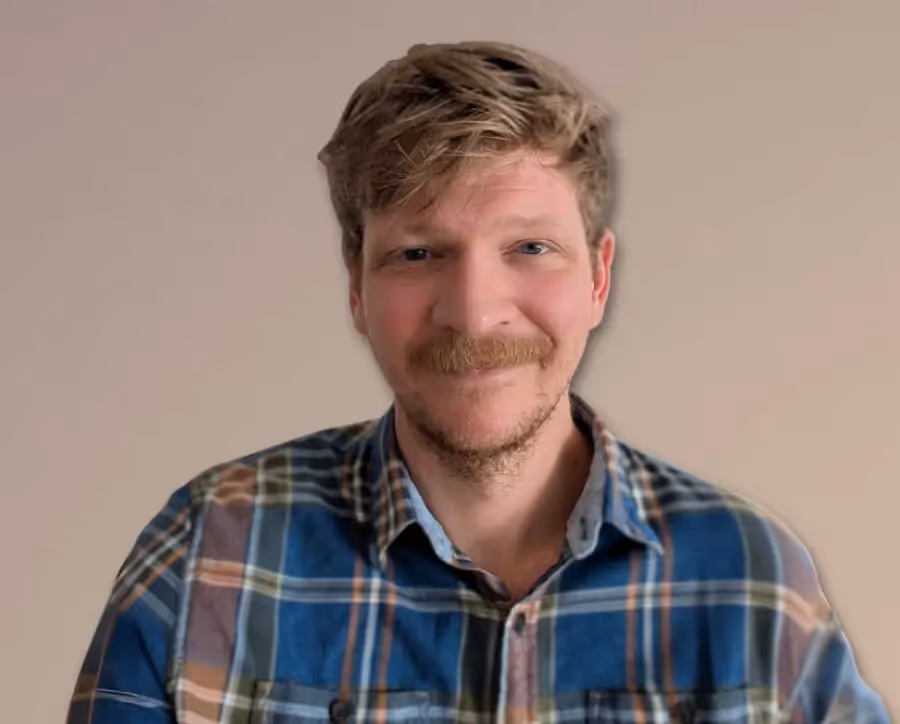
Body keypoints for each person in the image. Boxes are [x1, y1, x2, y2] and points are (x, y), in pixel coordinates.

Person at [67, 41, 889, 724]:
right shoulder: (208, 555)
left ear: (599, 279)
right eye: (419, 254)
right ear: (356, 286)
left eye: (529, 248)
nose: (473, 312)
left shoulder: (749, 580)